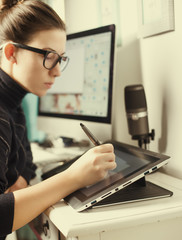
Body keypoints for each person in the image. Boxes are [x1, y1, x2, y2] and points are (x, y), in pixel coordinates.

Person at [0, 0, 116, 239]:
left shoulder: (13, 100)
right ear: (11, 53)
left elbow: (26, 160)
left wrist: (18, 183)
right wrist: (73, 177)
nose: (57, 71)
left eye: (60, 58)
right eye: (49, 56)